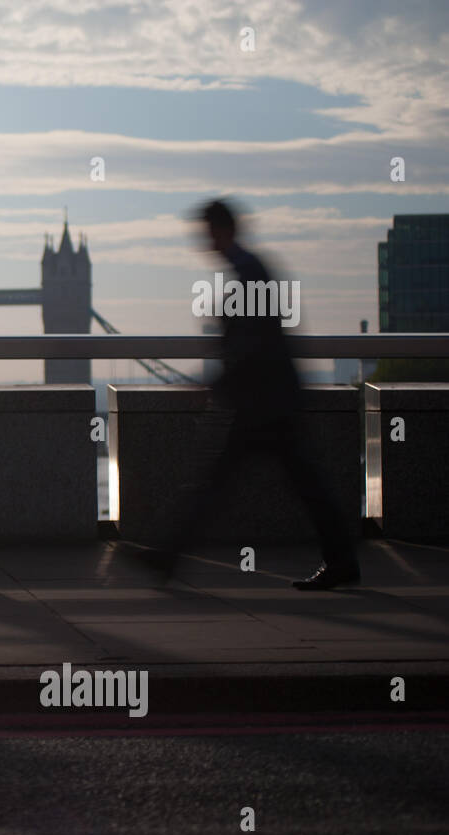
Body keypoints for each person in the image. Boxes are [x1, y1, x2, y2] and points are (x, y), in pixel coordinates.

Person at [142, 198, 359, 590]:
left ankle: (166, 556)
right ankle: (166, 556)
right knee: (296, 485)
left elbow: (253, 342)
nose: (203, 240)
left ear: (222, 231)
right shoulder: (248, 269)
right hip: (266, 400)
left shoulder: (248, 272)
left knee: (220, 482)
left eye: (206, 231)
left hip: (263, 403)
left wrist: (215, 383)